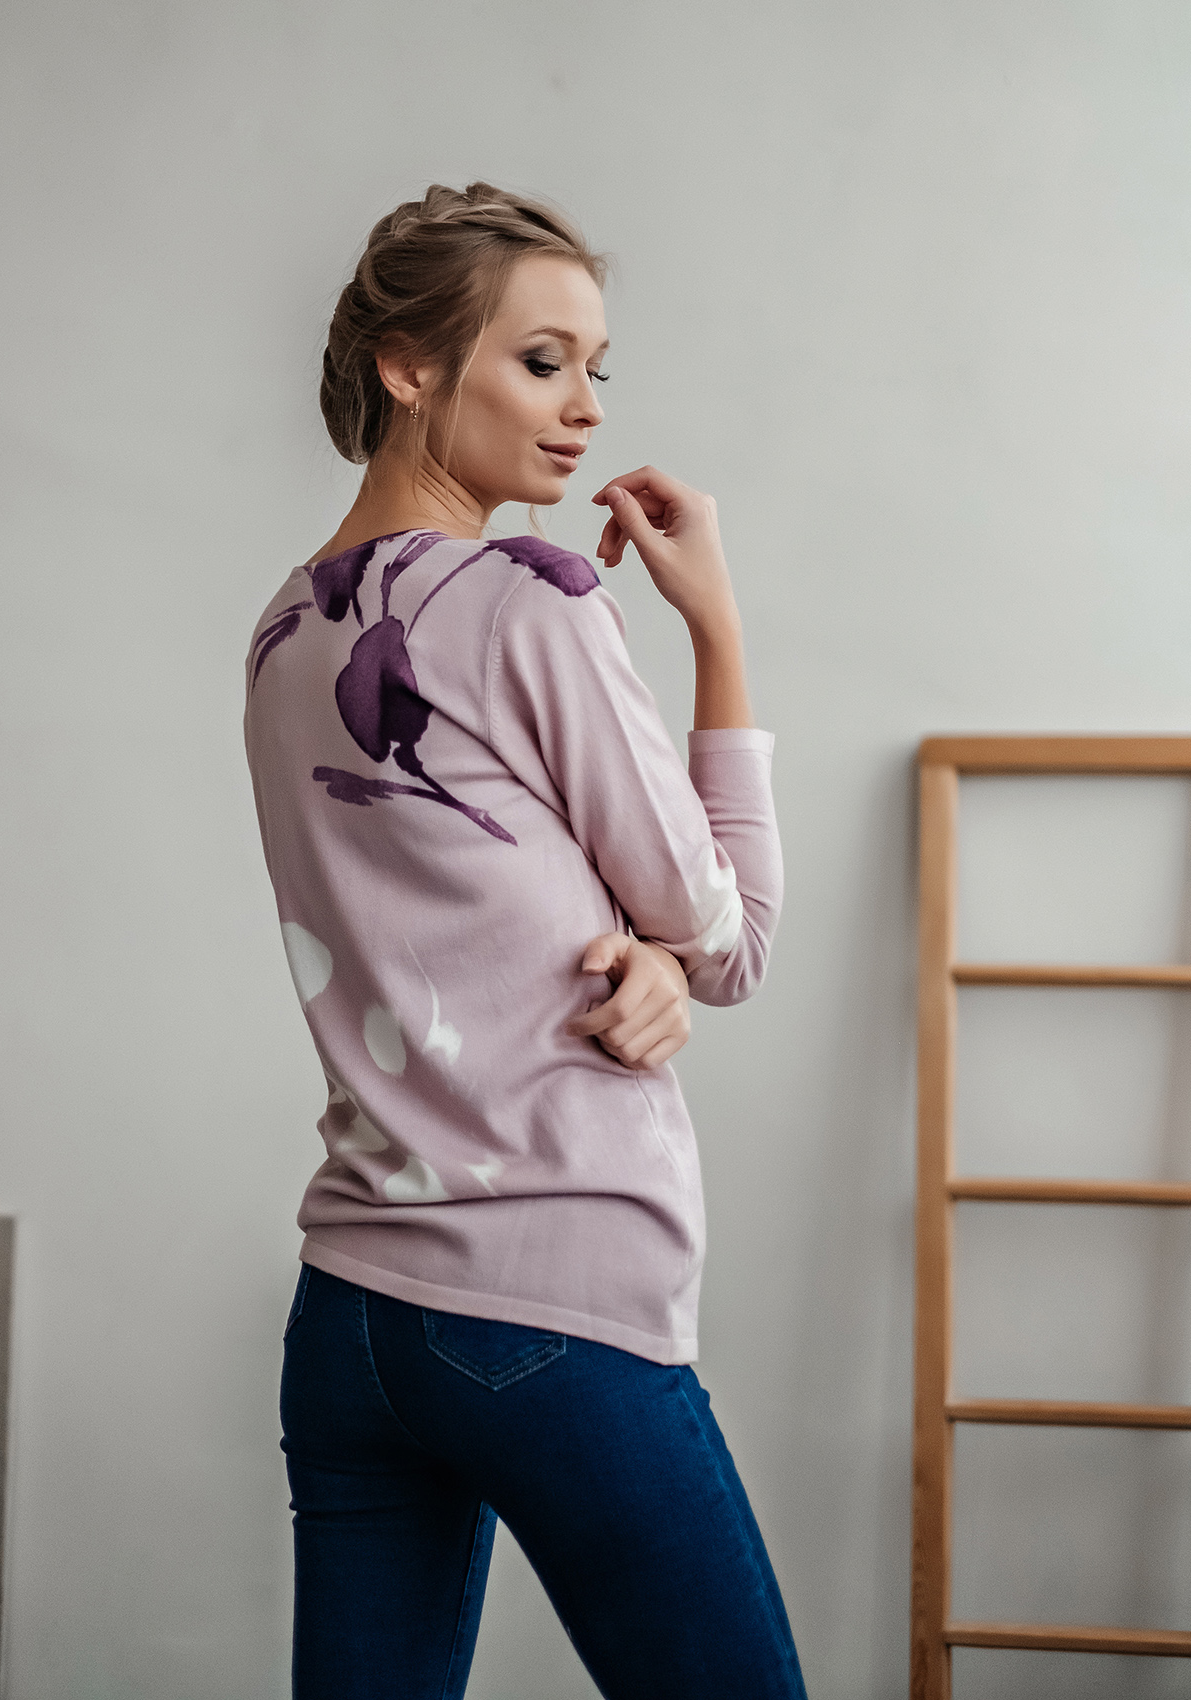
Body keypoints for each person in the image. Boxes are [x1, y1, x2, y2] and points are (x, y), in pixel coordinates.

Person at [243, 181, 805, 1700]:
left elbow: (468, 907)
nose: (584, 410)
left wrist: (651, 958)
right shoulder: (529, 598)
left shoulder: (286, 629)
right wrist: (719, 628)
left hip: (351, 1314)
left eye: (595, 370)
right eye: (542, 361)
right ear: (409, 367)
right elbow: (736, 940)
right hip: (545, 1304)